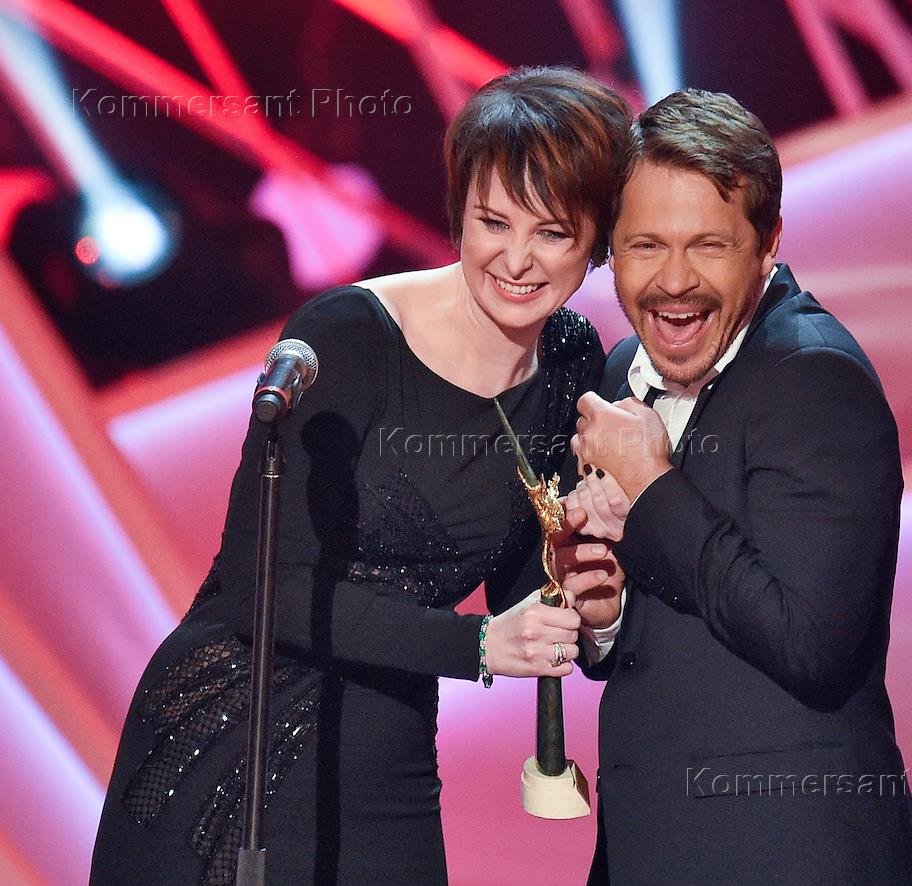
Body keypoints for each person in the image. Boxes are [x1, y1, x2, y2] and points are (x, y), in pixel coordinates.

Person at [90, 67, 630, 885]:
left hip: (387, 752)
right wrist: (478, 644)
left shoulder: (569, 359)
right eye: (492, 221)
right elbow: (262, 583)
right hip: (231, 736)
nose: (516, 260)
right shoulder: (346, 334)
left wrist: (591, 580)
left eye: (552, 233)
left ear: (596, 241)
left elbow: (527, 584)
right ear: (458, 213)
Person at [558, 89, 912, 884]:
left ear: (767, 246)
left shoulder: (815, 378)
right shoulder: (620, 373)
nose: (674, 281)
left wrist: (651, 486)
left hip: (792, 855)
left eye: (709, 246)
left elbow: (812, 645)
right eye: (646, 245)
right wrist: (606, 615)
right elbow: (665, 638)